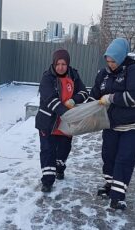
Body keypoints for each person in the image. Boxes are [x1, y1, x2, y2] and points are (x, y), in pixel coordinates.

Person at [88, 38, 135, 210]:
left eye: (113, 61)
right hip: (112, 124)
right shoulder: (103, 74)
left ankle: (118, 196)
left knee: (124, 159)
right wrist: (84, 108)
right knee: (108, 158)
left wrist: (110, 98)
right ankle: (110, 186)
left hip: (134, 125)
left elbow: (132, 97)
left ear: (122, 57)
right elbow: (94, 95)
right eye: (108, 60)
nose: (111, 64)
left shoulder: (134, 71)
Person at [35, 49, 89, 193]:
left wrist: (74, 99)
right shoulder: (47, 77)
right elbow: (50, 100)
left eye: (63, 64)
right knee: (48, 151)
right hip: (48, 122)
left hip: (66, 125)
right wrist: (66, 113)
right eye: (58, 63)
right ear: (53, 63)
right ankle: (47, 181)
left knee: (63, 150)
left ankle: (59, 168)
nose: (60, 67)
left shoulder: (73, 75)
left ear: (68, 64)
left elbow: (84, 92)